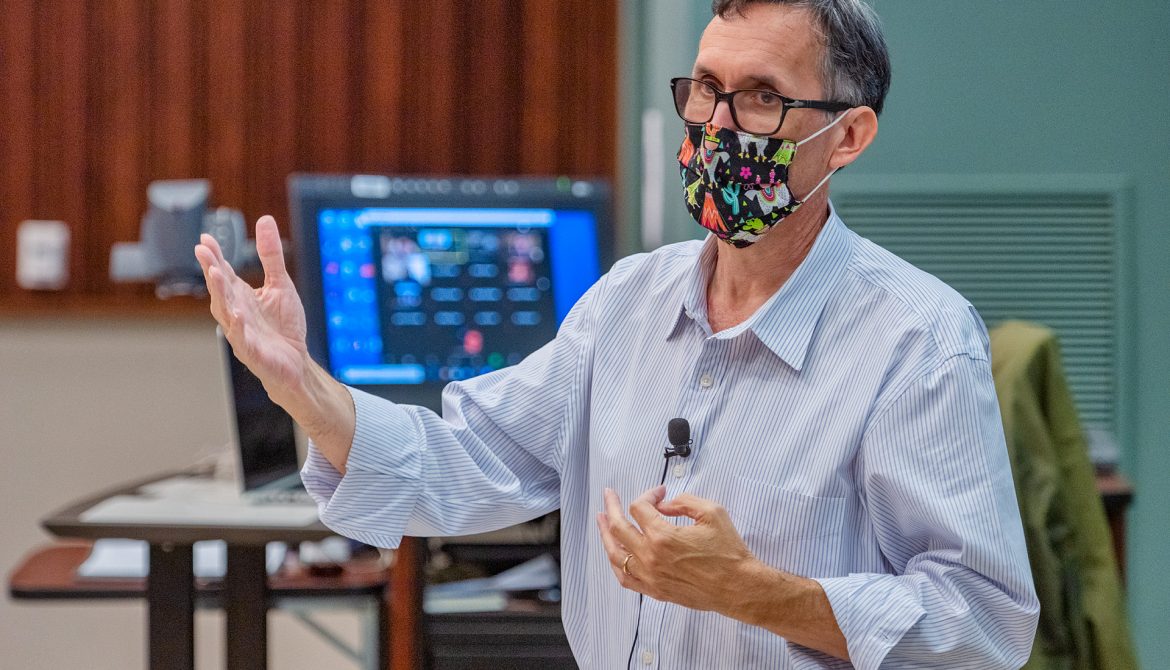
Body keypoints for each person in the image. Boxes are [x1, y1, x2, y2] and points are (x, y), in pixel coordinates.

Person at [195, 0, 1039, 667]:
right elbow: (464, 460)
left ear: (846, 136)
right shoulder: (629, 301)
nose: (718, 124)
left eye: (761, 98)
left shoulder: (917, 341)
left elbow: (983, 625)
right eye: (705, 88)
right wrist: (303, 386)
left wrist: (754, 592)